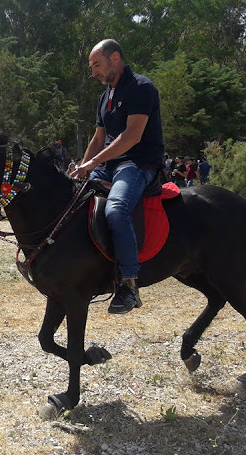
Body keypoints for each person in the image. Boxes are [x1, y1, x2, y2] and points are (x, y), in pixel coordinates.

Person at [72, 39, 164, 314]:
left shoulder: (141, 87)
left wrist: (94, 162)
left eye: (96, 65)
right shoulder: (105, 96)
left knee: (116, 210)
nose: (93, 73)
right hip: (109, 164)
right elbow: (98, 138)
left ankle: (129, 283)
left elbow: (131, 137)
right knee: (71, 199)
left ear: (115, 58)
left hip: (137, 163)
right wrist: (82, 166)